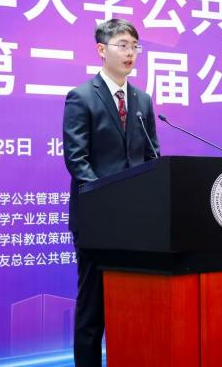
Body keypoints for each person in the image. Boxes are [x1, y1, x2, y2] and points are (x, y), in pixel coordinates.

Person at [63, 18, 160, 366]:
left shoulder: (142, 100)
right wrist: (109, 201)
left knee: (134, 307)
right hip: (97, 223)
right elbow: (77, 160)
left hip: (136, 226)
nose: (130, 53)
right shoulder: (81, 97)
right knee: (92, 312)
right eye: (122, 45)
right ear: (101, 50)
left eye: (135, 46)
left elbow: (151, 156)